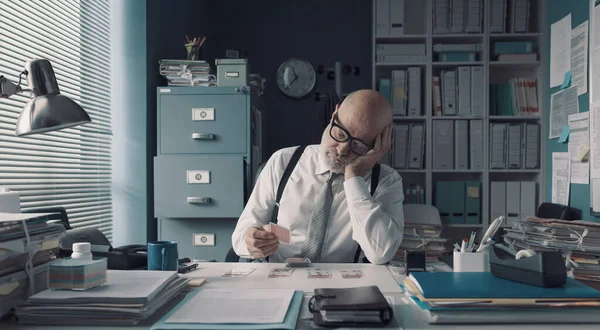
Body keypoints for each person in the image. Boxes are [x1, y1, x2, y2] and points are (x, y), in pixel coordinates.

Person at [231, 89, 404, 265]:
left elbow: (381, 253)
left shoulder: (386, 181)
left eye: (358, 145)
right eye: (340, 134)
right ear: (334, 115)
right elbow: (239, 238)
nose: (342, 150)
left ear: (378, 145)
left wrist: (354, 176)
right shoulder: (283, 162)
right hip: (279, 280)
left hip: (342, 286)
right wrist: (251, 242)